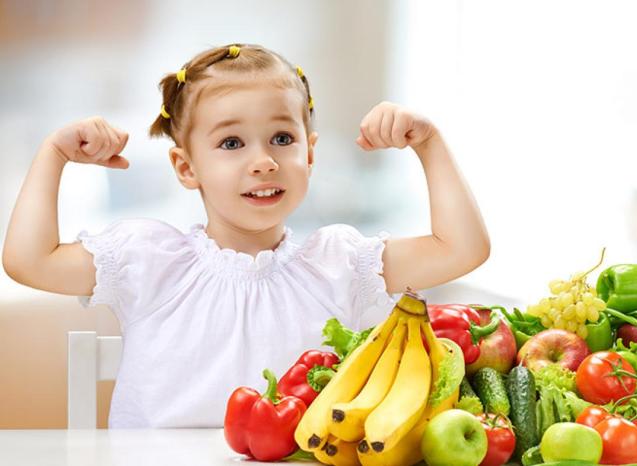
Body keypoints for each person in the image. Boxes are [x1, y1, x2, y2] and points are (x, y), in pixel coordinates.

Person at [2, 43, 490, 428]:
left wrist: (429, 143)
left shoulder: (340, 263)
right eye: (231, 143)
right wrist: (54, 155)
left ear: (311, 154)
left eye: (283, 138)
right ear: (186, 167)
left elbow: (462, 249)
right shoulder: (148, 259)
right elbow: (29, 260)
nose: (264, 161)